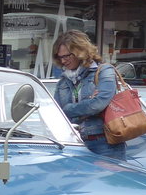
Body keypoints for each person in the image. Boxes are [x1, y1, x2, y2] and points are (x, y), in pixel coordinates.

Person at [52, 30, 125, 158]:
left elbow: (97, 104)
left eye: (67, 56)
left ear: (80, 51)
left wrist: (68, 108)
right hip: (73, 143)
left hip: (105, 143)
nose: (63, 61)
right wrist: (87, 104)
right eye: (60, 57)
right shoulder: (63, 81)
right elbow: (56, 113)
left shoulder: (103, 71)